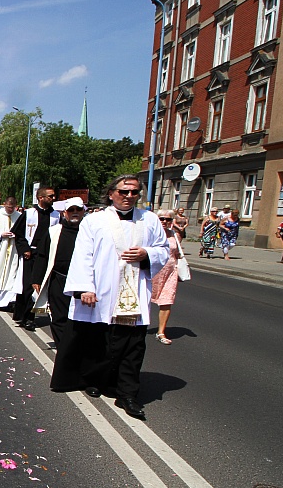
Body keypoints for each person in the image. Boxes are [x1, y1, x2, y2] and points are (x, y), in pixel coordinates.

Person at [56, 175, 169, 420]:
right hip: (104, 289)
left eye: (134, 192)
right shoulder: (95, 220)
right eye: (123, 192)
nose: (129, 197)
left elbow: (163, 249)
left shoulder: (149, 220)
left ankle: (127, 393)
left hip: (134, 290)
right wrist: (85, 287)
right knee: (101, 341)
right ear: (111, 193)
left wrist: (146, 253)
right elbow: (83, 254)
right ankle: (97, 379)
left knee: (133, 344)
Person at [33, 198, 86, 344]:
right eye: (71, 210)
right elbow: (42, 255)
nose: (75, 213)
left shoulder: (90, 231)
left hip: (84, 282)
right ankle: (63, 348)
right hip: (59, 279)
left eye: (78, 210)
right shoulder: (54, 231)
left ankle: (77, 347)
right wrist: (37, 278)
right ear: (64, 213)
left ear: (83, 211)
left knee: (81, 318)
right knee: (59, 317)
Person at [11, 186, 58, 330]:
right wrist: (25, 249)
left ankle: (30, 317)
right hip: (30, 255)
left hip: (47, 256)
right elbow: (17, 234)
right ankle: (23, 316)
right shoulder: (29, 213)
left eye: (54, 196)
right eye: (50, 196)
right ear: (41, 198)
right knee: (28, 287)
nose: (53, 198)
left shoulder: (56, 215)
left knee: (41, 287)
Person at [151, 210, 181, 345]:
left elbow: (178, 253)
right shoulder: (150, 234)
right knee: (143, 300)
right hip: (152, 272)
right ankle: (135, 327)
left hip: (170, 272)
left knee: (167, 301)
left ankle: (161, 332)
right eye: (161, 219)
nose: (164, 221)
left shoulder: (175, 235)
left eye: (168, 219)